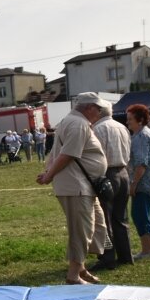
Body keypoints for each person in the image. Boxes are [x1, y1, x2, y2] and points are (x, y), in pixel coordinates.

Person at [36, 93, 108, 285]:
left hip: (83, 186)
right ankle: (73, 275)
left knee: (96, 227)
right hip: (77, 186)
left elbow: (55, 152)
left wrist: (48, 172)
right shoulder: (78, 124)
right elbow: (66, 154)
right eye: (98, 108)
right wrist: (49, 175)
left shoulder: (72, 122)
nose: (100, 112)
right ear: (89, 108)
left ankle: (81, 269)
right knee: (82, 231)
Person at [91, 101, 134, 270]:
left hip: (107, 174)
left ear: (99, 112)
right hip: (123, 173)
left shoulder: (98, 129)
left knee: (104, 218)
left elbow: (97, 156)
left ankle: (107, 258)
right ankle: (125, 255)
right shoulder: (121, 127)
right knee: (121, 217)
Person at [126, 104, 150, 260]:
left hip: (144, 182)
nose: (127, 122)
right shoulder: (147, 133)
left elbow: (141, 163)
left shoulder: (141, 136)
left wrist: (133, 184)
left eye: (130, 119)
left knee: (140, 215)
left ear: (140, 120)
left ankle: (147, 251)